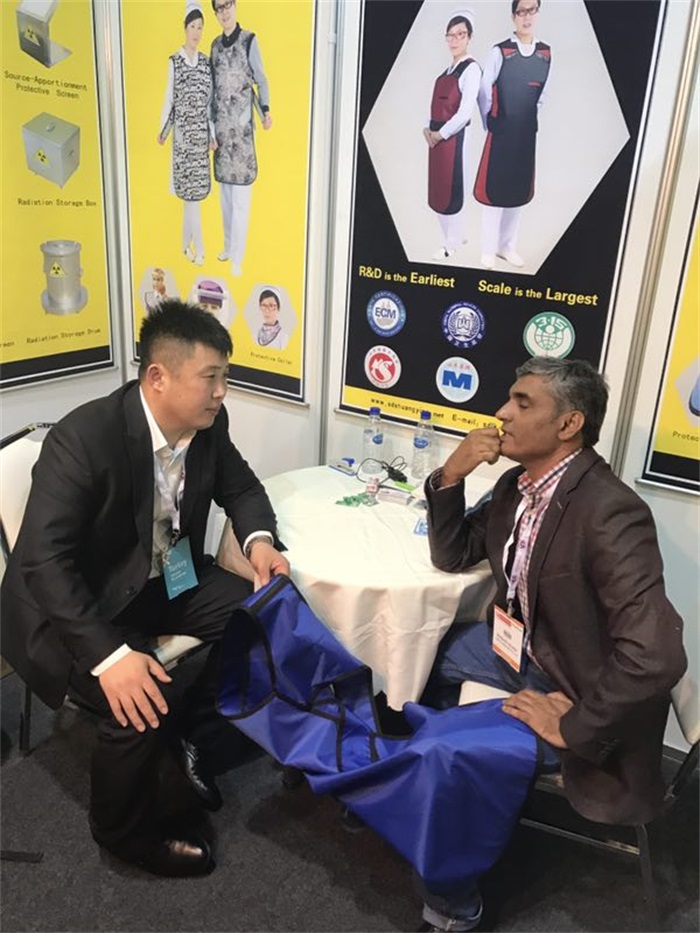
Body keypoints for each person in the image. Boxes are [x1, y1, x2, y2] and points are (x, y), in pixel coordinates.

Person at [0, 300, 289, 878]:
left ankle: (190, 738)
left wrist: (259, 541)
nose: (222, 393)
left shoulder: (207, 426)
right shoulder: (85, 438)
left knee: (258, 613)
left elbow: (243, 489)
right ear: (158, 376)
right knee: (138, 693)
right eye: (211, 377)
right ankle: (121, 833)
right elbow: (43, 562)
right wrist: (110, 657)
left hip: (162, 577)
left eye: (225, 377)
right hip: (75, 605)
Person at [418, 356, 686, 931]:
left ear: (570, 424)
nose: (501, 413)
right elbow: (453, 553)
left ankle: (452, 907)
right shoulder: (519, 485)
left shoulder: (610, 511)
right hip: (521, 654)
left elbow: (656, 653)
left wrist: (576, 725)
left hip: (576, 691)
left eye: (522, 403)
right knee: (417, 655)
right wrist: (451, 475)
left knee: (454, 750)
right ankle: (447, 796)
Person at [473, 0, 551, 269]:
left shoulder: (546, 53)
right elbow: (484, 91)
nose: (527, 17)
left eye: (532, 11)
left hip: (526, 133)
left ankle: (506, 247)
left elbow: (541, 96)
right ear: (513, 16)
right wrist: (489, 122)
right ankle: (488, 249)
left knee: (517, 191)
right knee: (494, 191)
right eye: (521, 12)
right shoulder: (500, 51)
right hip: (501, 131)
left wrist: (527, 120)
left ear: (538, 13)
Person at [209, 0, 272, 277]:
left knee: (240, 201)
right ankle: (227, 246)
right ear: (215, 13)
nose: (224, 12)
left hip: (242, 133)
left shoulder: (249, 41)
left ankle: (238, 257)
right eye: (219, 8)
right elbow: (211, 90)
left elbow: (262, 80)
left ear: (235, 6)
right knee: (225, 198)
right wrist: (210, 130)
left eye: (227, 5)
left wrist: (265, 110)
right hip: (222, 132)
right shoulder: (214, 46)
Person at [158, 1, 216, 267]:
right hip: (183, 142)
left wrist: (212, 136)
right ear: (185, 28)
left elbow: (209, 104)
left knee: (193, 201)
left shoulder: (205, 64)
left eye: (200, 27)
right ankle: (200, 250)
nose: (196, 32)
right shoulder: (175, 61)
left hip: (201, 142)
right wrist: (164, 131)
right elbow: (169, 100)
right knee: (189, 199)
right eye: (192, 26)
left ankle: (184, 246)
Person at [424, 11, 481, 262]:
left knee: (452, 188)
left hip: (454, 139)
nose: (455, 40)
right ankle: (456, 235)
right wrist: (426, 129)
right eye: (451, 35)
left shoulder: (472, 70)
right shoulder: (445, 72)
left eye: (461, 34)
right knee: (438, 189)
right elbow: (433, 107)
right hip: (435, 139)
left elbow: (464, 112)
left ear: (469, 37)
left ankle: (451, 245)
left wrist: (440, 134)